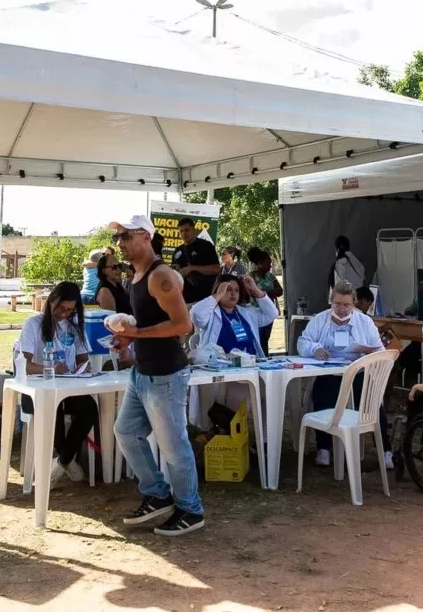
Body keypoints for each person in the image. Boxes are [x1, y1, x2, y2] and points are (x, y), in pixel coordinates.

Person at [109, 215, 204, 536]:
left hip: (165, 374)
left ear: (146, 237)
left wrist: (136, 333)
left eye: (126, 236)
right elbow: (152, 322)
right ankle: (158, 494)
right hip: (143, 371)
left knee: (173, 446)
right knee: (126, 431)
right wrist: (129, 338)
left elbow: (183, 325)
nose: (120, 243)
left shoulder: (160, 276)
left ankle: (190, 510)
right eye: (118, 237)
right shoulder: (137, 275)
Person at [297, 279, 393, 471]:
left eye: (346, 305)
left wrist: (369, 352)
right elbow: (302, 342)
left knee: (372, 401)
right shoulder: (320, 319)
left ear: (354, 304)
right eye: (337, 304)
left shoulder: (364, 321)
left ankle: (386, 451)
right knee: (322, 393)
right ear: (331, 302)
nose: (341, 309)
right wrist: (315, 349)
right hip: (329, 371)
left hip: (357, 371)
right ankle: (324, 448)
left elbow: (380, 350)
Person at [15, 282, 97, 486]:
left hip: (69, 387)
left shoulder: (74, 326)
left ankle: (62, 461)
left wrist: (84, 367)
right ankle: (65, 460)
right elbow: (25, 365)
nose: (64, 314)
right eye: (61, 308)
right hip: (39, 389)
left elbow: (82, 358)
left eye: (70, 310)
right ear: (52, 301)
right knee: (53, 411)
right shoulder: (33, 324)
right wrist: (49, 369)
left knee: (89, 408)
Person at [190, 274, 279, 359]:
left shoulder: (246, 313)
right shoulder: (211, 314)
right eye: (228, 290)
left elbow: (272, 314)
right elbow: (196, 315)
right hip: (221, 365)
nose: (233, 294)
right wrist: (218, 295)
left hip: (250, 364)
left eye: (236, 290)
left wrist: (255, 289)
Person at [171, 218, 220, 305]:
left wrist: (191, 268)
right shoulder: (178, 250)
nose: (184, 233)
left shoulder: (205, 246)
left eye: (187, 230)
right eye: (181, 231)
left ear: (194, 230)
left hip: (203, 298)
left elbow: (216, 269)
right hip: (183, 299)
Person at [247, 248, 283, 352]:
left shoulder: (270, 276)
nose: (270, 265)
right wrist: (269, 293)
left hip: (269, 311)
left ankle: (265, 356)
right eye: (268, 263)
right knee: (259, 338)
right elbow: (252, 293)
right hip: (256, 312)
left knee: (266, 338)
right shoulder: (251, 277)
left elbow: (280, 291)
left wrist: (263, 293)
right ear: (260, 263)